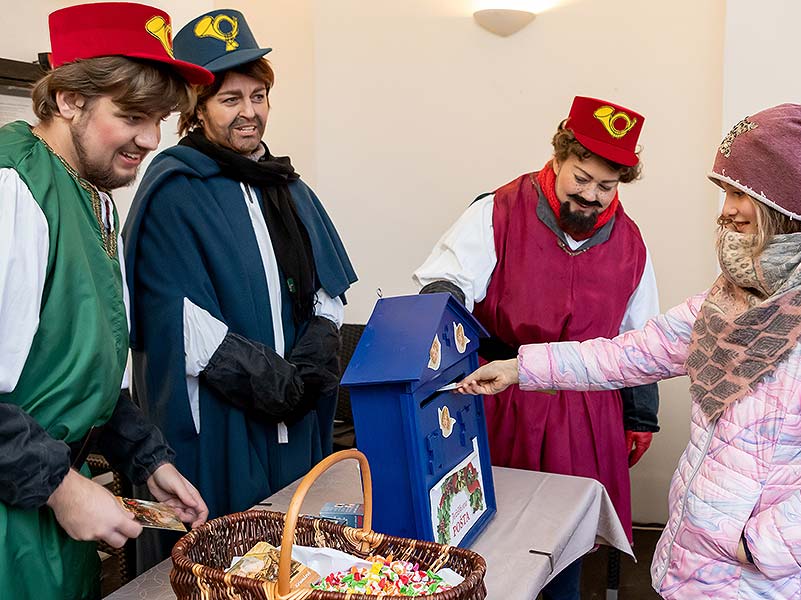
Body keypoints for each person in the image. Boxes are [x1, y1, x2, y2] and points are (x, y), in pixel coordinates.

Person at [458, 104, 801, 599]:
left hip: (767, 580)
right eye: (725, 192)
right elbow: (632, 353)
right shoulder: (740, 288)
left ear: (781, 200)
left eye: (739, 193)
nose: (726, 208)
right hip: (695, 568)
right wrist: (520, 367)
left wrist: (762, 546)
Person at [0, 3, 213, 598]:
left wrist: (148, 461)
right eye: (132, 116)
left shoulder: (95, 201)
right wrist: (62, 487)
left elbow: (87, 377)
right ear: (68, 99)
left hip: (49, 508)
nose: (150, 139)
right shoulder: (11, 187)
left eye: (161, 119)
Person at [414, 96, 660, 599]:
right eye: (581, 178)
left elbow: (641, 336)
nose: (591, 196)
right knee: (492, 530)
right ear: (557, 158)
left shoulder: (631, 242)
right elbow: (444, 286)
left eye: (606, 186)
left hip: (584, 405)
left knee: (564, 533)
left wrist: (639, 416)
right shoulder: (499, 210)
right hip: (502, 393)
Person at [123, 9, 357, 522]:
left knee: (301, 549)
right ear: (197, 110)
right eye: (230, 100)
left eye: (258, 96)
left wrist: (310, 360)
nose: (248, 113)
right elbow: (174, 314)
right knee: (229, 557)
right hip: (225, 419)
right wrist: (269, 381)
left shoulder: (287, 186)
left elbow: (329, 287)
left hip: (297, 421)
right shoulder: (174, 190)